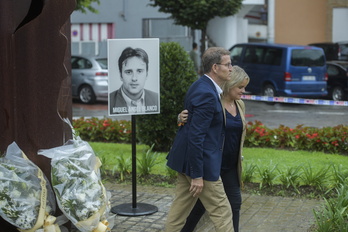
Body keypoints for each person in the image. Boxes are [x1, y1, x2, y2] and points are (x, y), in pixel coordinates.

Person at [165, 47, 233, 232]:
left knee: (179, 212)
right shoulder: (207, 93)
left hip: (189, 161)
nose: (231, 68)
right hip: (201, 164)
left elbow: (192, 125)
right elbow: (196, 136)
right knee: (223, 212)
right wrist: (197, 175)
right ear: (215, 67)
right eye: (228, 64)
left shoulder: (202, 86)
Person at [179, 65, 250, 232]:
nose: (243, 91)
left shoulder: (240, 105)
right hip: (211, 164)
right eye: (240, 87)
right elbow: (193, 129)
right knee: (199, 206)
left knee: (235, 204)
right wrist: (179, 119)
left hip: (230, 166)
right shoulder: (213, 101)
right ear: (230, 84)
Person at [109, 47, 158, 115]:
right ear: (121, 75)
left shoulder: (156, 99)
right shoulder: (110, 101)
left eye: (139, 71)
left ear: (146, 74)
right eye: (129, 72)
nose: (134, 78)